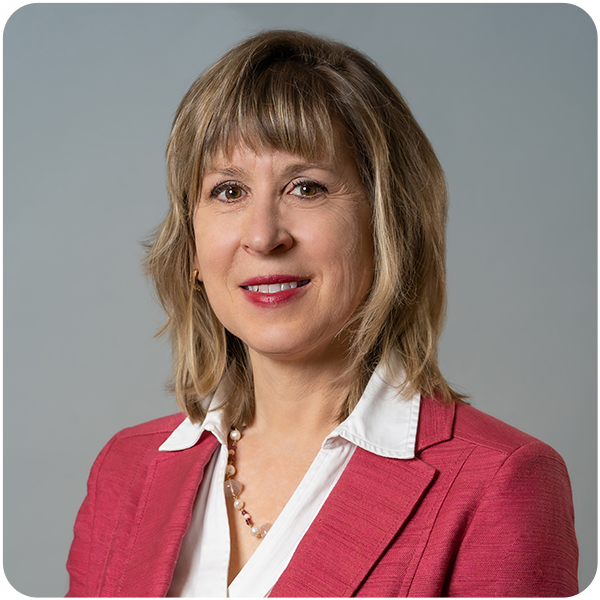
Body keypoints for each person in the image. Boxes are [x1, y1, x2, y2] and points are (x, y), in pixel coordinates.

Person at [65, 30, 579, 598]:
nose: (262, 236)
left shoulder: (500, 482)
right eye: (228, 191)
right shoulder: (124, 471)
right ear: (190, 245)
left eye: (306, 187)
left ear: (388, 228)